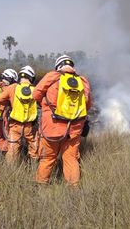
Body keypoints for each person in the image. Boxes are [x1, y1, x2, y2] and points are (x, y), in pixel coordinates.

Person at [33, 55, 92, 186]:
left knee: (48, 158)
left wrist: (45, 103)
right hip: (74, 130)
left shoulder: (52, 76)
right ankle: (74, 188)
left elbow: (35, 94)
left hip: (52, 128)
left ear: (58, 66)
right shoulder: (83, 81)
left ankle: (41, 185)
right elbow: (87, 105)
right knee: (71, 159)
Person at [0, 66, 38, 163]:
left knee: (12, 151)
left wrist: (11, 103)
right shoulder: (35, 89)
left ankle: (10, 172)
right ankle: (34, 168)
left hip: (15, 126)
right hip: (30, 127)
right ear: (31, 78)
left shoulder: (13, 87)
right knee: (34, 149)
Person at [0, 69, 18, 153]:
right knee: (8, 137)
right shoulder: (8, 89)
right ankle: (6, 155)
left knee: (0, 137)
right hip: (4, 117)